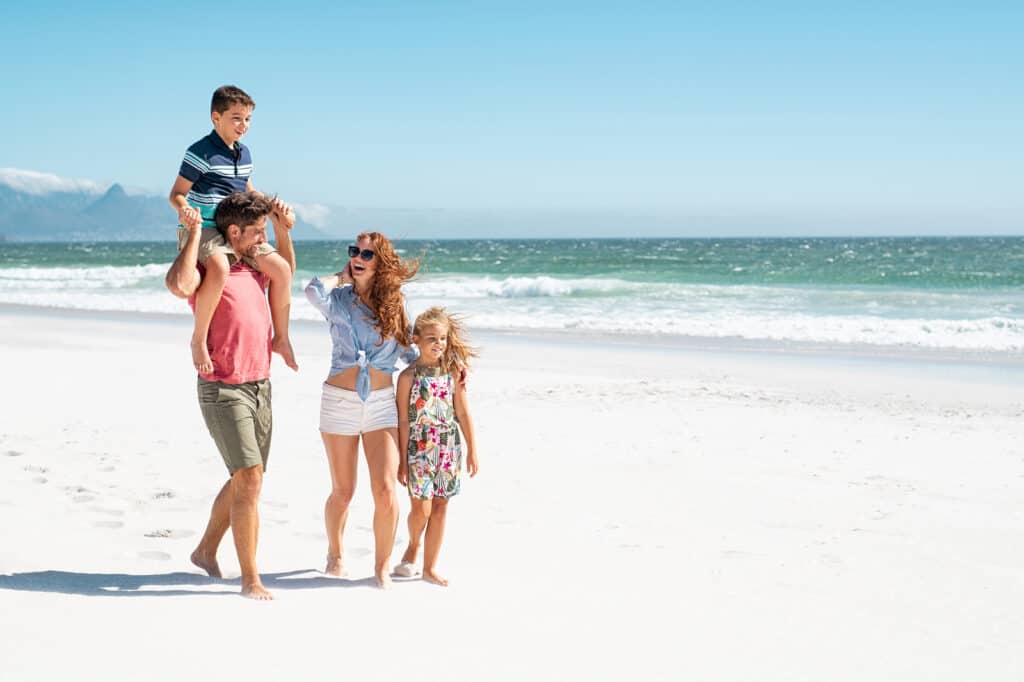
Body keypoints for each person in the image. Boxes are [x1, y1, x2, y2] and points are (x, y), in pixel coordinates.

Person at [167, 190, 296, 600]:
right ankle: (250, 579)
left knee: (247, 479)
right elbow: (181, 283)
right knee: (249, 479)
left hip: (260, 384)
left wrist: (280, 227)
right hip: (223, 387)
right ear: (234, 232)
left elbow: (285, 272)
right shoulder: (211, 270)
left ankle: (205, 550)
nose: (262, 240)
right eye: (256, 232)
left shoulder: (252, 267)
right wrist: (192, 236)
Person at [304, 233, 419, 588]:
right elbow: (310, 290)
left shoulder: (396, 305)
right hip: (339, 403)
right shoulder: (337, 299)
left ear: (381, 262)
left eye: (367, 253)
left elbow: (410, 354)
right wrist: (340, 277)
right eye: (354, 251)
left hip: (382, 405)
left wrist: (447, 367)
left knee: (385, 489)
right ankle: (335, 553)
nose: (358, 257)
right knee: (343, 491)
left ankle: (381, 567)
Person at [165, 84, 298, 375]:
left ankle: (282, 338)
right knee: (219, 266)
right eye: (236, 118)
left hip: (237, 226)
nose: (244, 125)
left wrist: (272, 207)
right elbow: (176, 193)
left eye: (248, 119)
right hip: (206, 226)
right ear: (216, 117)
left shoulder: (244, 153)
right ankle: (198, 340)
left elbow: (245, 188)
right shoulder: (199, 152)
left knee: (282, 269)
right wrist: (185, 209)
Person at [393, 307, 479, 586]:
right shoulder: (407, 377)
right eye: (431, 338)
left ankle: (429, 567)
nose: (438, 344)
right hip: (419, 449)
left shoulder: (454, 374)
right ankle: (414, 544)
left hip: (448, 448)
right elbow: (403, 420)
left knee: (441, 507)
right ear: (416, 339)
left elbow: (463, 414)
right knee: (421, 510)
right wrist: (403, 461)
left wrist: (472, 450)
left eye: (442, 338)